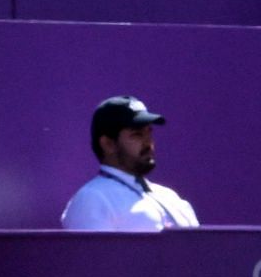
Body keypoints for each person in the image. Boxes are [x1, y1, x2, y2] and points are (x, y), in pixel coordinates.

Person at [60, 95, 199, 231]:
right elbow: (93, 254)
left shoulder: (169, 196)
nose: (148, 142)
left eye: (149, 132)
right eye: (137, 134)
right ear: (108, 144)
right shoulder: (91, 199)